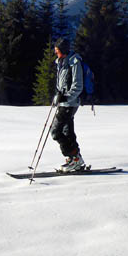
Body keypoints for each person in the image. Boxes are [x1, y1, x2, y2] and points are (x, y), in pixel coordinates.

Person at [51, 38, 85, 172]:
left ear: (63, 50)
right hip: (63, 103)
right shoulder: (61, 62)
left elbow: (78, 86)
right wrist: (57, 96)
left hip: (70, 103)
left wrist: (64, 96)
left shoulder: (74, 63)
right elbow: (61, 85)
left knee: (55, 132)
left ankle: (73, 158)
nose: (56, 53)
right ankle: (75, 159)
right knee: (67, 132)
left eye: (57, 50)